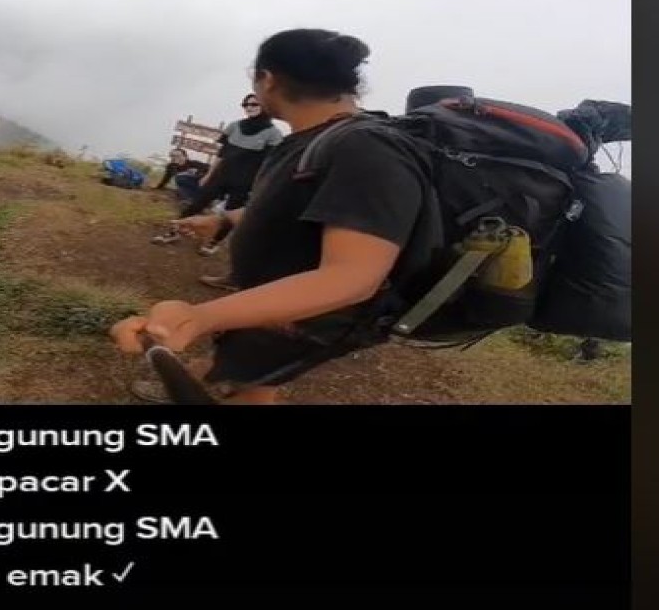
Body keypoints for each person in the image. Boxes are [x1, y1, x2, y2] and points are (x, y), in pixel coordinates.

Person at [113, 29, 432, 404]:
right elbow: (302, 207)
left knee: (248, 382)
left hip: (308, 312)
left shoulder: (365, 148)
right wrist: (225, 220)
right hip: (278, 299)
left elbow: (353, 277)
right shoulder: (316, 139)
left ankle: (227, 382)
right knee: (248, 369)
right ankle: (221, 375)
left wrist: (199, 317)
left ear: (267, 79)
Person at [151, 93, 283, 256]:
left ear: (265, 106)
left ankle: (214, 242)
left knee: (230, 213)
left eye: (254, 104)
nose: (249, 108)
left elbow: (268, 164)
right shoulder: (234, 126)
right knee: (196, 204)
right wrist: (209, 175)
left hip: (244, 182)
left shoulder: (273, 134)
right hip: (222, 175)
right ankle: (174, 232)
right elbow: (221, 154)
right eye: (246, 104)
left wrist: (258, 186)